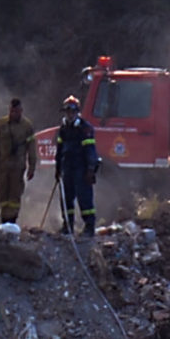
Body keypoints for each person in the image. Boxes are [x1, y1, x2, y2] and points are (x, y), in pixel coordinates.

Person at [53, 93, 99, 236]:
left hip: (82, 168)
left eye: (72, 111)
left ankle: (89, 227)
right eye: (67, 111)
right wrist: (58, 169)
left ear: (77, 112)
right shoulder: (63, 129)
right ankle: (68, 226)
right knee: (66, 199)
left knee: (84, 198)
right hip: (67, 168)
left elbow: (90, 151)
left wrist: (91, 169)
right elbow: (60, 150)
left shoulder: (85, 128)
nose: (70, 114)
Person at [0, 98, 35, 229]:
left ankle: (12, 221)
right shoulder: (1, 124)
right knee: (3, 194)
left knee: (15, 195)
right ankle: (3, 220)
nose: (14, 114)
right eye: (12, 111)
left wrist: (32, 167)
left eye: (16, 111)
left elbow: (32, 148)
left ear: (21, 111)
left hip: (18, 167)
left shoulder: (27, 126)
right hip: (2, 166)